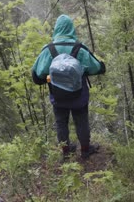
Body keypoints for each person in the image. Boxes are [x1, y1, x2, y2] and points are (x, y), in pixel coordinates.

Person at [31, 14, 106, 159]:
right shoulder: (80, 48)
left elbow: (37, 74)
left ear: (56, 29)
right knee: (81, 121)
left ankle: (66, 152)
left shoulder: (48, 50)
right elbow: (97, 68)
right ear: (71, 28)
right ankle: (85, 149)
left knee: (61, 123)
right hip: (79, 95)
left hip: (58, 96)